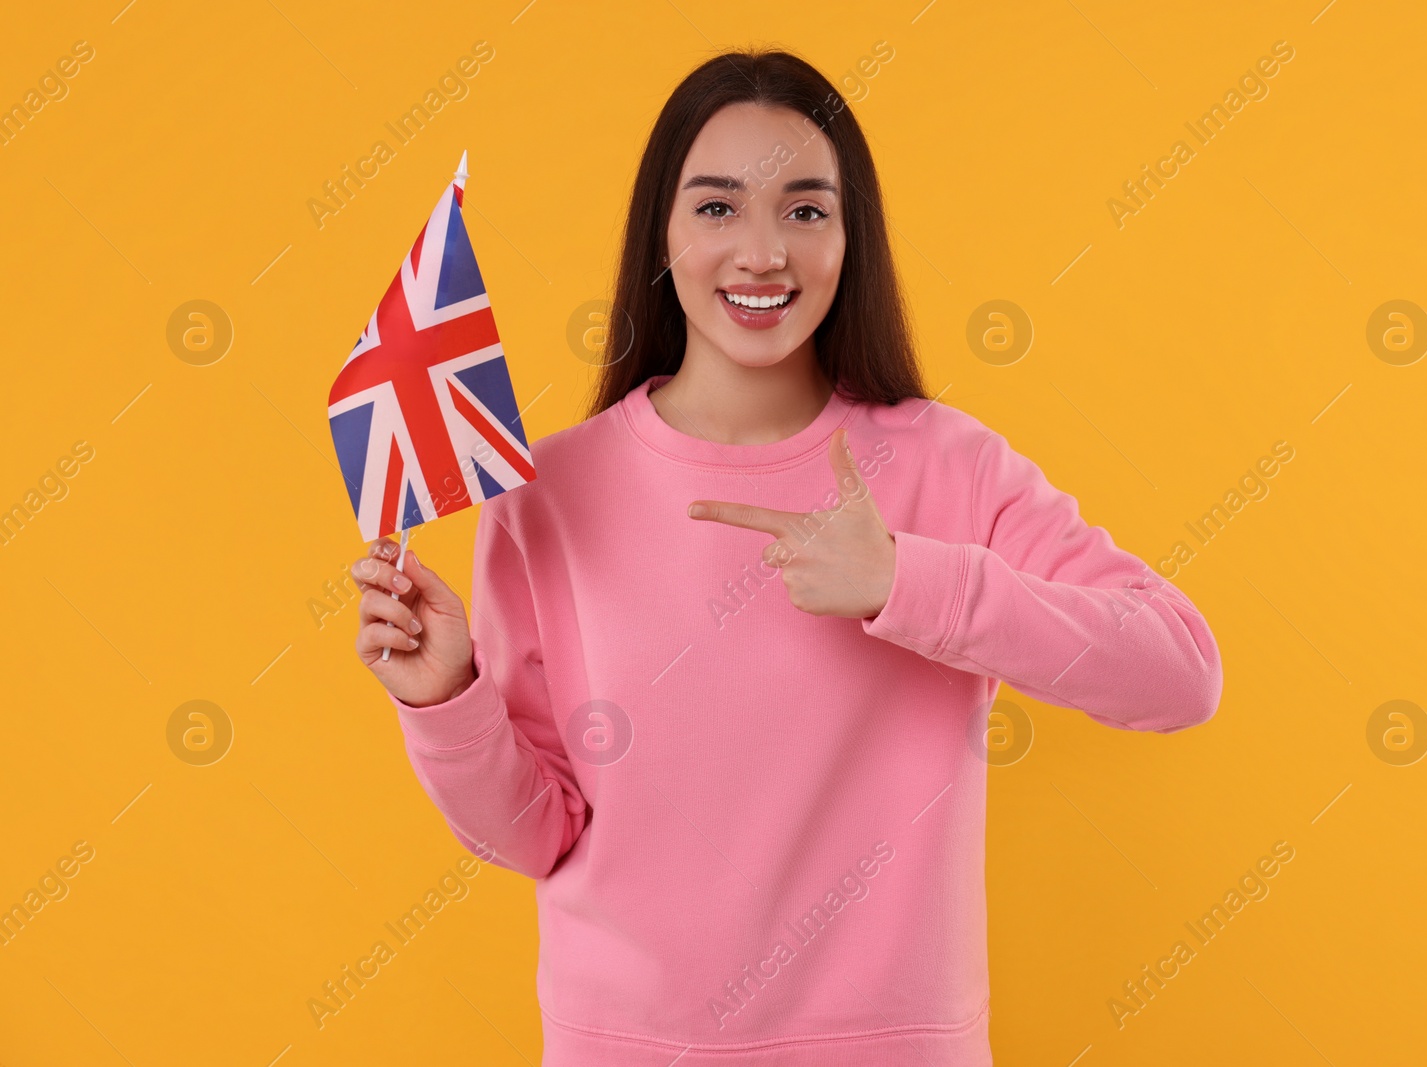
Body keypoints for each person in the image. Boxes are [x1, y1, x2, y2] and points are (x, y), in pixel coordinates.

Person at [350, 47, 1222, 1067]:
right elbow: (533, 834)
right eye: (717, 208)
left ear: (851, 238)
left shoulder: (948, 463)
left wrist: (906, 579)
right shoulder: (545, 495)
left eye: (805, 210)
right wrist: (445, 696)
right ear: (662, 237)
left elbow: (1178, 670)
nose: (762, 252)